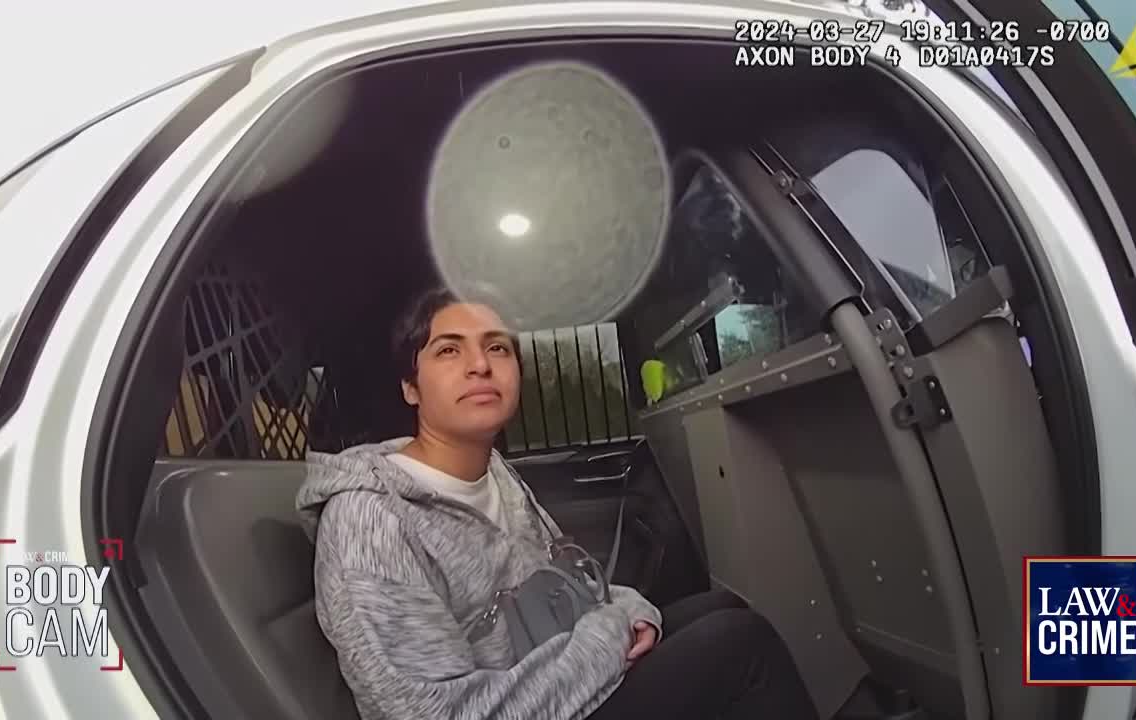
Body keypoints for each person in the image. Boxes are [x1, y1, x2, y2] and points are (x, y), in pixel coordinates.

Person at [296, 285, 819, 720]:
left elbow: (577, 584)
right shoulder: (370, 518)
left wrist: (631, 611)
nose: (480, 364)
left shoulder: (496, 476)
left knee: (720, 606)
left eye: (497, 348)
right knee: (738, 645)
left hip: (552, 679)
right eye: (449, 350)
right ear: (411, 387)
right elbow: (434, 713)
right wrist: (610, 638)